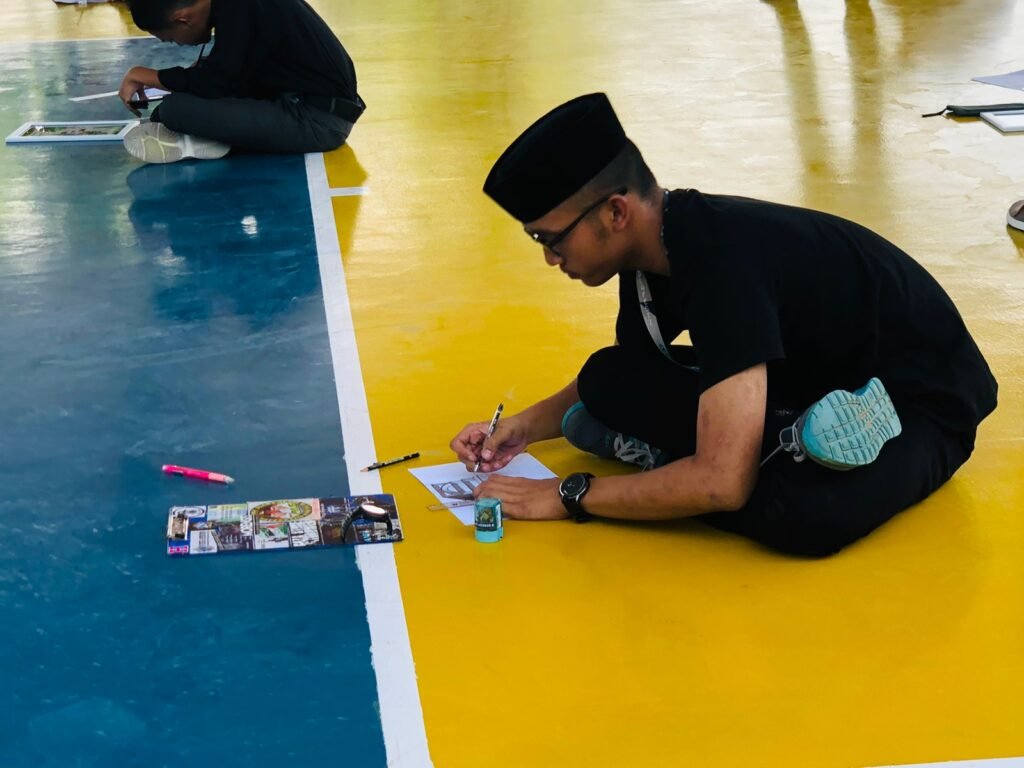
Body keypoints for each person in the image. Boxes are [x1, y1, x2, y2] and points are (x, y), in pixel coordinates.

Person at [450, 93, 998, 557]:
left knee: (802, 513)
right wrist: (522, 427)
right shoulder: (654, 249)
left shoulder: (724, 264)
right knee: (607, 376)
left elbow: (723, 485)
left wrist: (570, 494)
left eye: (550, 239)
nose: (550, 258)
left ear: (615, 214)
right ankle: (780, 438)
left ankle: (735, 454)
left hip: (917, 401)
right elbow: (634, 367)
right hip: (805, 373)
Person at [118, 0, 364, 164]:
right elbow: (236, 73)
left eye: (171, 39)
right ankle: (215, 137)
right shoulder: (239, 6)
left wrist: (145, 74)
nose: (178, 44)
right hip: (314, 107)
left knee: (174, 110)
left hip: (316, 122)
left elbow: (215, 84)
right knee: (177, 106)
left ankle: (213, 139)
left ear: (183, 19)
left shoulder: (239, 7)